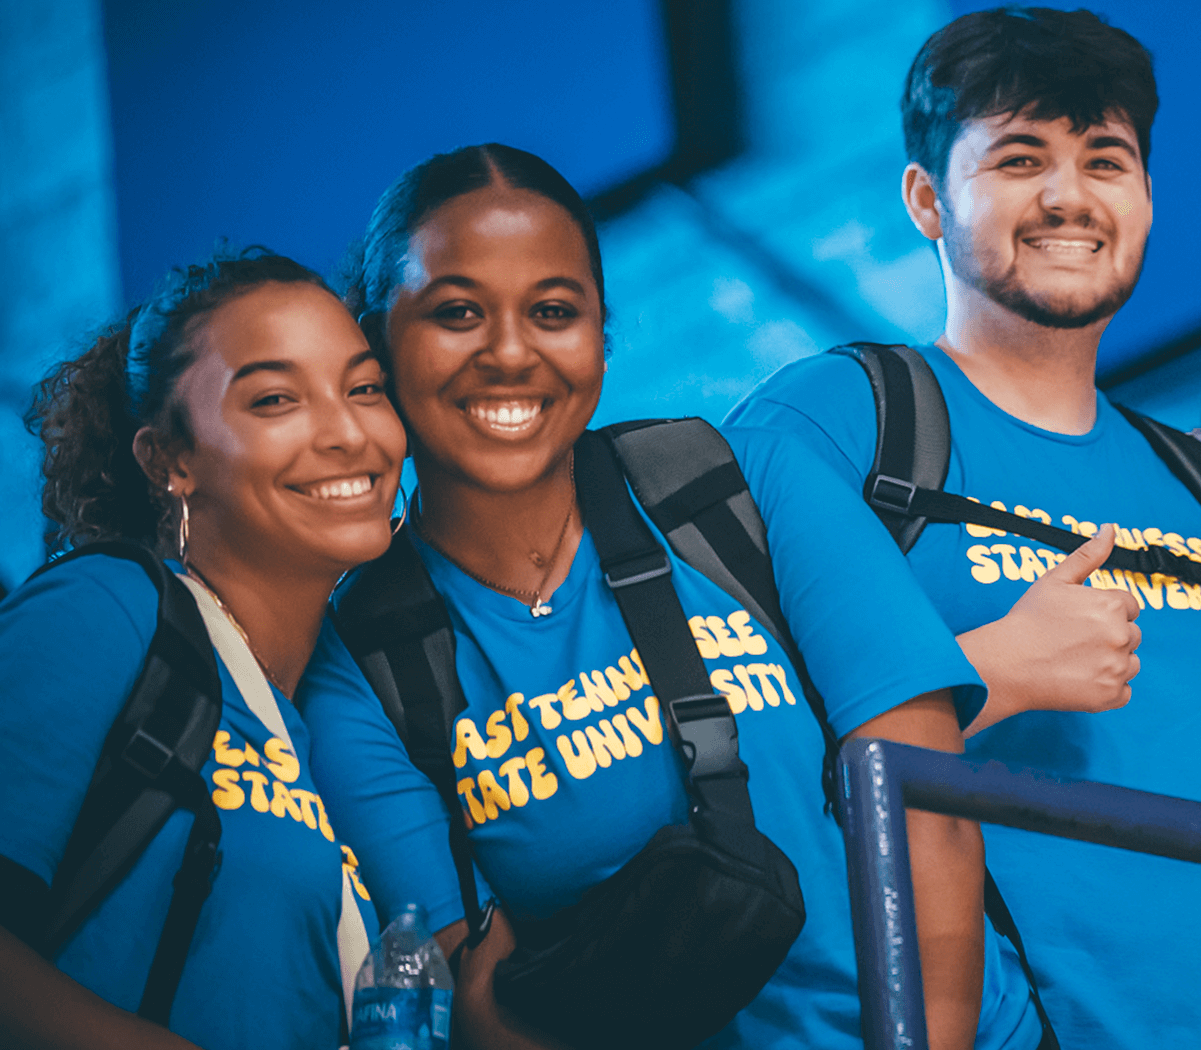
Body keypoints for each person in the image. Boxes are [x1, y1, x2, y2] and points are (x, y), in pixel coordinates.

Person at [728, 10, 1201, 1048]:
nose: (1067, 195)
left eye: (1104, 160)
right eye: (1019, 159)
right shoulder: (833, 422)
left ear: (1146, 198)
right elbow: (741, 773)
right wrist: (987, 676)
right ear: (926, 199)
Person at [301, 143, 1038, 1050]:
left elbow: (923, 809)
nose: (508, 352)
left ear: (600, 334)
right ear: (373, 343)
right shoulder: (364, 667)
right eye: (457, 312)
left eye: (553, 311)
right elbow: (481, 1011)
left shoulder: (735, 483)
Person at [0, 249, 404, 1048]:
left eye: (364, 388)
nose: (347, 430)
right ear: (168, 460)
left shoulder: (333, 715)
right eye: (276, 399)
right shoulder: (103, 610)